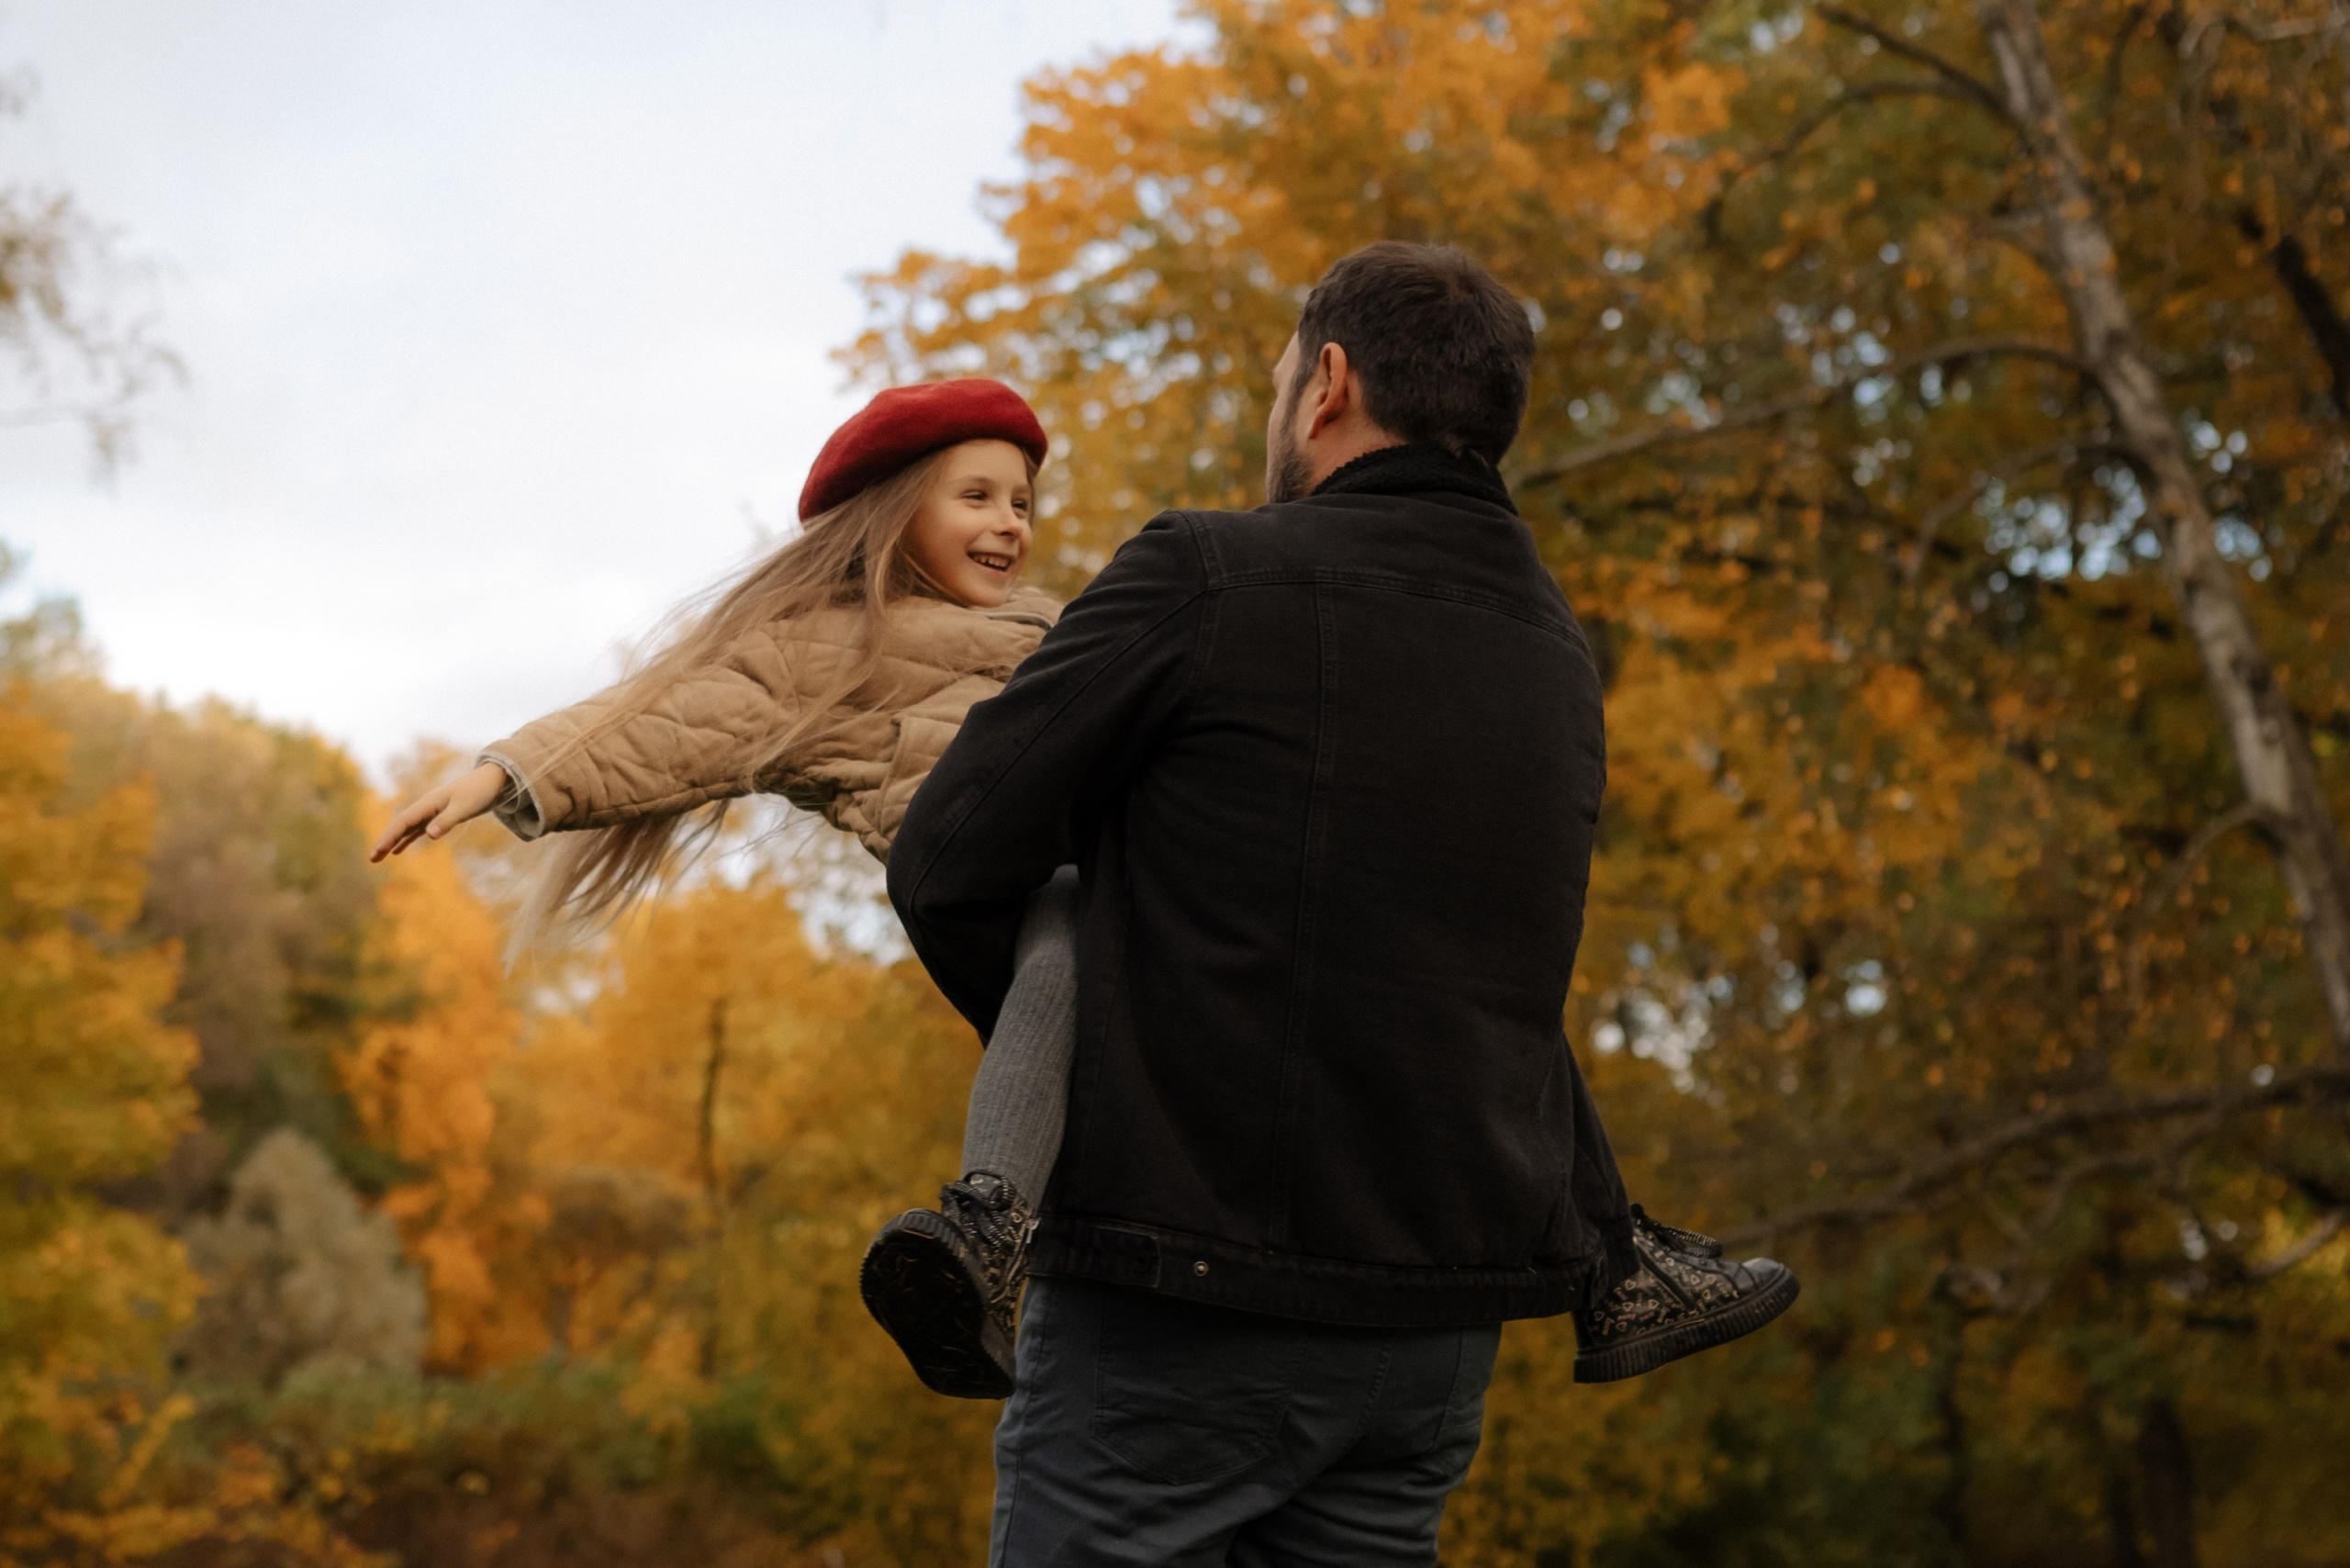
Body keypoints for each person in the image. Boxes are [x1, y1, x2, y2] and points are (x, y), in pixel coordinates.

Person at [886, 242, 1798, 1565]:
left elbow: (947, 856)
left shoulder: (1206, 572)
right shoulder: (1556, 652)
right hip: (1431, 1331)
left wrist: (1100, 1051)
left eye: (1279, 384)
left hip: (1180, 1306)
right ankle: (1628, 1254)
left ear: (1327, 384)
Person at [368, 378, 1089, 1397]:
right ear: (894, 513)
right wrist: (504, 773)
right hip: (1031, 901)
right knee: (1070, 917)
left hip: (1156, 884)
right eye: (976, 497)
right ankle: (984, 1228)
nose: (1009, 523)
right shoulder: (821, 652)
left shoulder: (1061, 630)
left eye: (1021, 503)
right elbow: (669, 719)